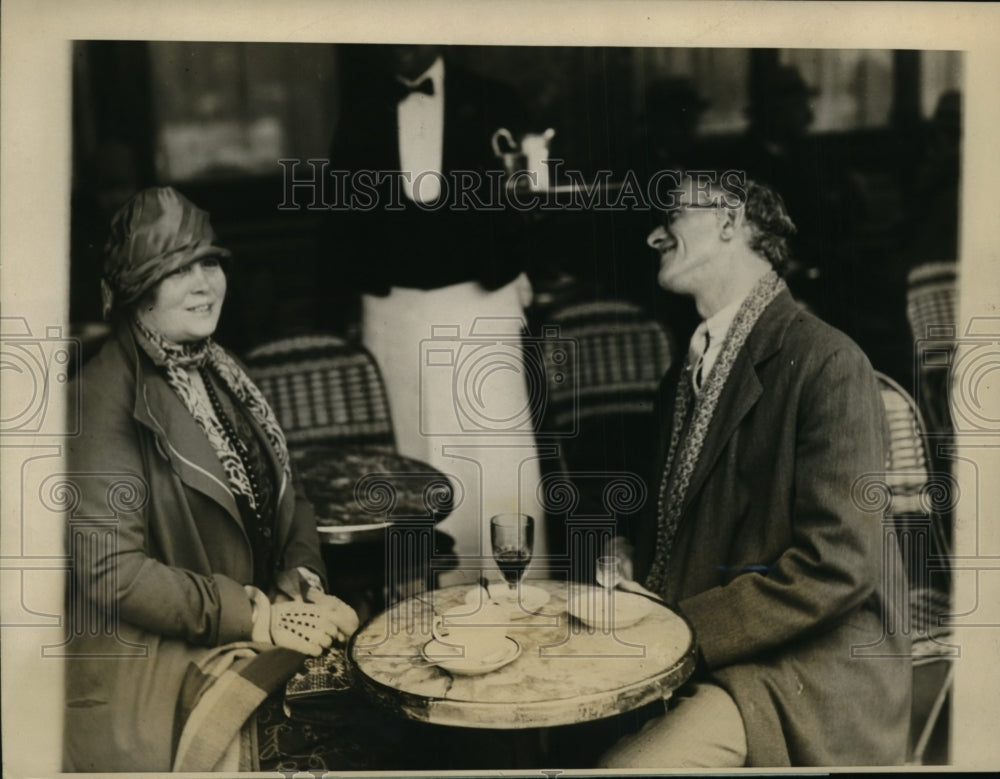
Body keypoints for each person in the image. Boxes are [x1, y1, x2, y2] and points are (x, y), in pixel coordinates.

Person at [598, 176, 911, 768]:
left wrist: (677, 630)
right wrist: (625, 557)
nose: (652, 236)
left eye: (672, 215)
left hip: (810, 670)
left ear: (728, 221)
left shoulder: (829, 361)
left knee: (625, 771)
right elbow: (680, 531)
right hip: (723, 657)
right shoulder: (685, 374)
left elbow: (838, 566)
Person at [63, 187, 360, 772]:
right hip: (154, 666)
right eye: (178, 270)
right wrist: (256, 618)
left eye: (210, 263)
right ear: (137, 288)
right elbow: (113, 574)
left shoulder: (220, 368)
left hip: (246, 625)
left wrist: (300, 581)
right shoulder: (95, 401)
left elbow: (288, 491)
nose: (204, 284)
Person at [321, 44, 548, 574]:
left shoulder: (493, 99)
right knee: (412, 447)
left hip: (480, 302)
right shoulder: (362, 107)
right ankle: (426, 593)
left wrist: (517, 265)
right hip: (393, 310)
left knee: (495, 449)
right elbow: (338, 218)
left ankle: (514, 587)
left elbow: (531, 195)